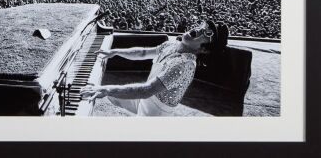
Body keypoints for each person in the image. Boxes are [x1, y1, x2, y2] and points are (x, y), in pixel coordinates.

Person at [80, 20, 229, 116]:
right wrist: (115, 52)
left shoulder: (185, 65)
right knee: (111, 94)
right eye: (202, 25)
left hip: (155, 112)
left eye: (207, 33)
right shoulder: (172, 45)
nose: (199, 29)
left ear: (204, 50)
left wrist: (105, 89)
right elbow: (143, 52)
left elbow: (147, 90)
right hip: (145, 99)